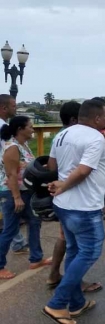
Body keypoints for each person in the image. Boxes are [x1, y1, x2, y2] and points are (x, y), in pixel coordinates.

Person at [43, 100, 105, 323]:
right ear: (97, 118)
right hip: (84, 205)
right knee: (90, 251)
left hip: (63, 204)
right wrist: (63, 184)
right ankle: (57, 304)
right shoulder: (95, 137)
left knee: (74, 250)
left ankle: (77, 303)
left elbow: (52, 166)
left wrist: (60, 184)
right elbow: (83, 171)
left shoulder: (62, 134)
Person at [0, 116, 51, 280]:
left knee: (35, 222)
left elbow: (26, 166)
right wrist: (16, 198)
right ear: (20, 129)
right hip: (13, 193)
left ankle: (36, 258)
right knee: (10, 229)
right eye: (30, 126)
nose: (33, 129)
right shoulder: (12, 148)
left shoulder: (24, 145)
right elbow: (11, 174)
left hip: (26, 191)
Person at [0, 94, 27, 255]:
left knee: (9, 213)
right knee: (11, 210)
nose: (15, 109)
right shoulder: (3, 128)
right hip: (5, 175)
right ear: (4, 108)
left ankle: (18, 242)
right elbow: (8, 152)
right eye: (14, 106)